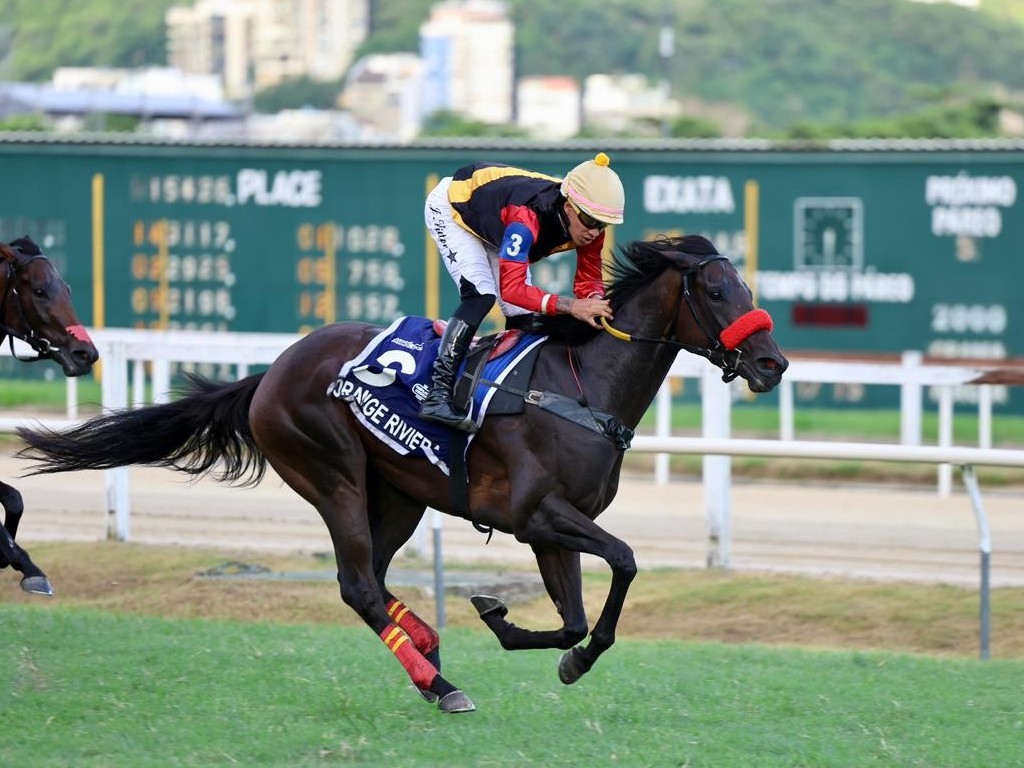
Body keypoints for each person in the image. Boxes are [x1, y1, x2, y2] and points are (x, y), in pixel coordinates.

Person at [420, 151, 625, 431]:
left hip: (496, 217)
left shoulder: (590, 226)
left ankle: (511, 398)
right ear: (569, 207)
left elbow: (588, 280)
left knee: (524, 317)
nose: (594, 232)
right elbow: (513, 289)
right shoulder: (526, 218)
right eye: (590, 221)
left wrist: (595, 301)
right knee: (481, 296)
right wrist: (571, 306)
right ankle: (437, 395)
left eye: (603, 224)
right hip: (455, 206)